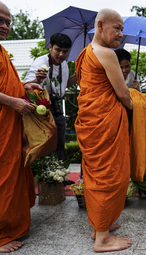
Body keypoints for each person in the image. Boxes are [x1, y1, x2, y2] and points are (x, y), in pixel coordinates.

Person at [74, 9, 133, 252]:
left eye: (121, 29)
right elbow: (122, 94)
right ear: (100, 25)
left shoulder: (85, 53)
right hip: (105, 124)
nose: (121, 33)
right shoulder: (107, 54)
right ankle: (102, 238)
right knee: (109, 175)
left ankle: (102, 224)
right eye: (116, 28)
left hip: (92, 122)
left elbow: (89, 88)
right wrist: (136, 105)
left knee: (96, 175)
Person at [0, 1, 42, 252]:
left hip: (9, 125)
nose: (5, 26)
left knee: (11, 172)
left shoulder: (3, 52)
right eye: (0, 21)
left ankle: (9, 224)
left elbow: (7, 85)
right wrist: (13, 102)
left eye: (8, 22)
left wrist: (24, 89)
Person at [24, 33, 77, 160]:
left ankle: (58, 173)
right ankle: (43, 176)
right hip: (42, 108)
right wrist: (37, 79)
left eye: (65, 52)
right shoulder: (40, 62)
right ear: (50, 47)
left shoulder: (64, 64)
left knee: (59, 143)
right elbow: (26, 86)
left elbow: (64, 86)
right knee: (44, 145)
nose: (61, 55)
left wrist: (78, 74)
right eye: (57, 50)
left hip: (57, 107)